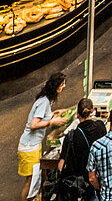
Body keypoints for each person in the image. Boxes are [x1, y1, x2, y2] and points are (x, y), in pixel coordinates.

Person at [20, 72, 68, 201]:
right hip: (29, 146)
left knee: (36, 180)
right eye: (62, 85)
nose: (63, 87)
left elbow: (42, 116)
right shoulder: (43, 102)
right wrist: (51, 122)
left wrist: (54, 113)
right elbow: (34, 124)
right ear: (56, 86)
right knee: (30, 182)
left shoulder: (46, 100)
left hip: (34, 145)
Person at [56, 97, 106, 201]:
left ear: (77, 114)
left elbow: (61, 165)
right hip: (99, 179)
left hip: (81, 186)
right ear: (92, 111)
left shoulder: (71, 137)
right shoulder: (100, 127)